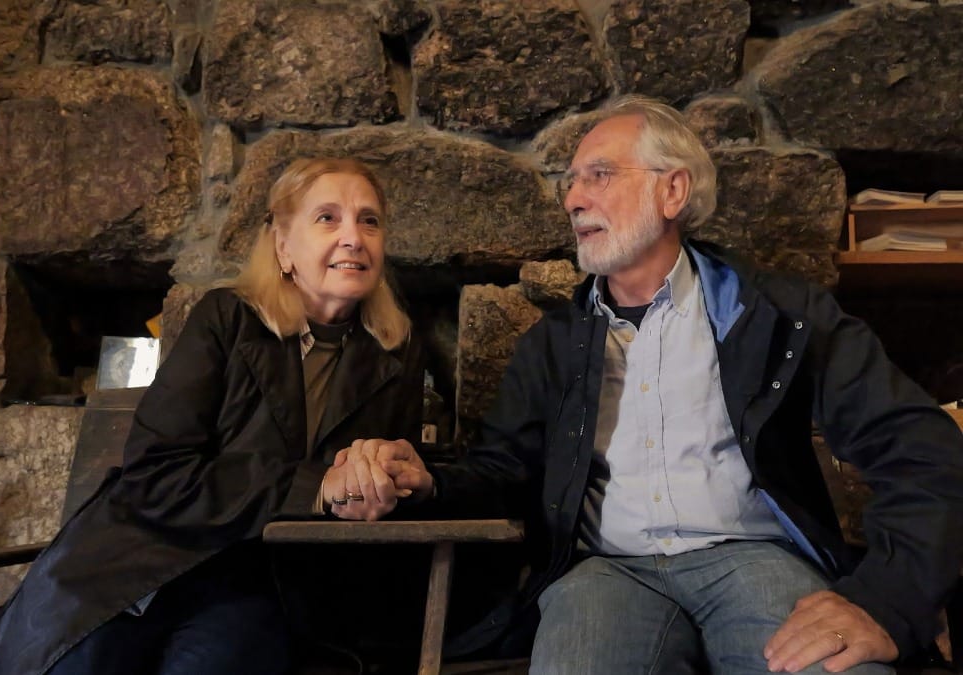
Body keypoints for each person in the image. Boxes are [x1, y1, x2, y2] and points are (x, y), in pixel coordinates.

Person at [349, 95, 963, 674]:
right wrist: (430, 482)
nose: (573, 200)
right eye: (572, 182)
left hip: (756, 560)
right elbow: (501, 472)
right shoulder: (554, 343)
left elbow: (921, 449)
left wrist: (886, 600)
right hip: (604, 571)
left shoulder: (781, 315)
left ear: (672, 190)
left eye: (599, 175)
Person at [0, 157, 425, 675]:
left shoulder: (395, 350)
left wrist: (398, 477)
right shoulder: (226, 318)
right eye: (327, 218)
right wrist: (315, 488)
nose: (354, 237)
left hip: (265, 583)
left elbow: (371, 493)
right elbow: (157, 472)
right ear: (283, 247)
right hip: (146, 560)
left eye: (370, 220)